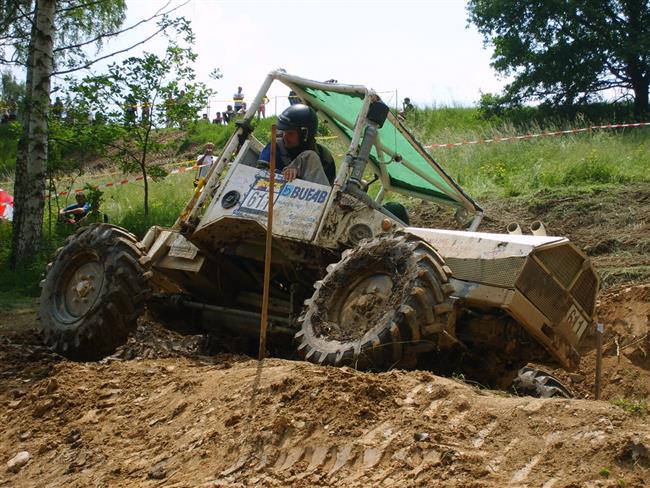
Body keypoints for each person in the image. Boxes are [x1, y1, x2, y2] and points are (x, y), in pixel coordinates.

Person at [257, 104, 335, 186]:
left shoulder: (324, 157)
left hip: (308, 197)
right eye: (284, 132)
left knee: (310, 156)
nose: (285, 137)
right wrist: (285, 175)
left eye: (290, 133)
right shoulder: (275, 148)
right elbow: (259, 173)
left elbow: (329, 192)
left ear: (304, 135)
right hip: (271, 196)